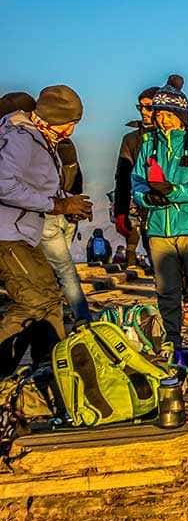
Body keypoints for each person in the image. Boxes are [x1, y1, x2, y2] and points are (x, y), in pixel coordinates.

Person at [131, 74, 188, 383]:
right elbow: (136, 182)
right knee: (165, 292)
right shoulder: (149, 145)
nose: (162, 120)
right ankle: (170, 346)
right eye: (158, 114)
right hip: (158, 228)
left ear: (182, 115)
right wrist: (147, 197)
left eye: (168, 114)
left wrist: (170, 191)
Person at [0, 85, 94, 367]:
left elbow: (38, 184)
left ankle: (48, 372)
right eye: (71, 123)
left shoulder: (40, 137)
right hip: (7, 235)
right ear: (57, 118)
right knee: (34, 301)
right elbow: (4, 184)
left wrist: (69, 201)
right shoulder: (20, 137)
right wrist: (57, 206)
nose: (72, 131)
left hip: (24, 233)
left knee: (52, 300)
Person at [39, 123, 93, 322]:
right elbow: (77, 180)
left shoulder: (39, 144)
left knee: (60, 271)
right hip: (68, 214)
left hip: (51, 212)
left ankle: (80, 317)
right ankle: (77, 315)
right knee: (64, 270)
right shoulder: (67, 145)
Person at [112, 86, 158, 273]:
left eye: (149, 107)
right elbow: (122, 177)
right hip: (144, 205)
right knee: (154, 252)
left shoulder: (181, 137)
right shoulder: (131, 140)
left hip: (175, 207)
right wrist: (120, 211)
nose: (144, 112)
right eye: (141, 107)